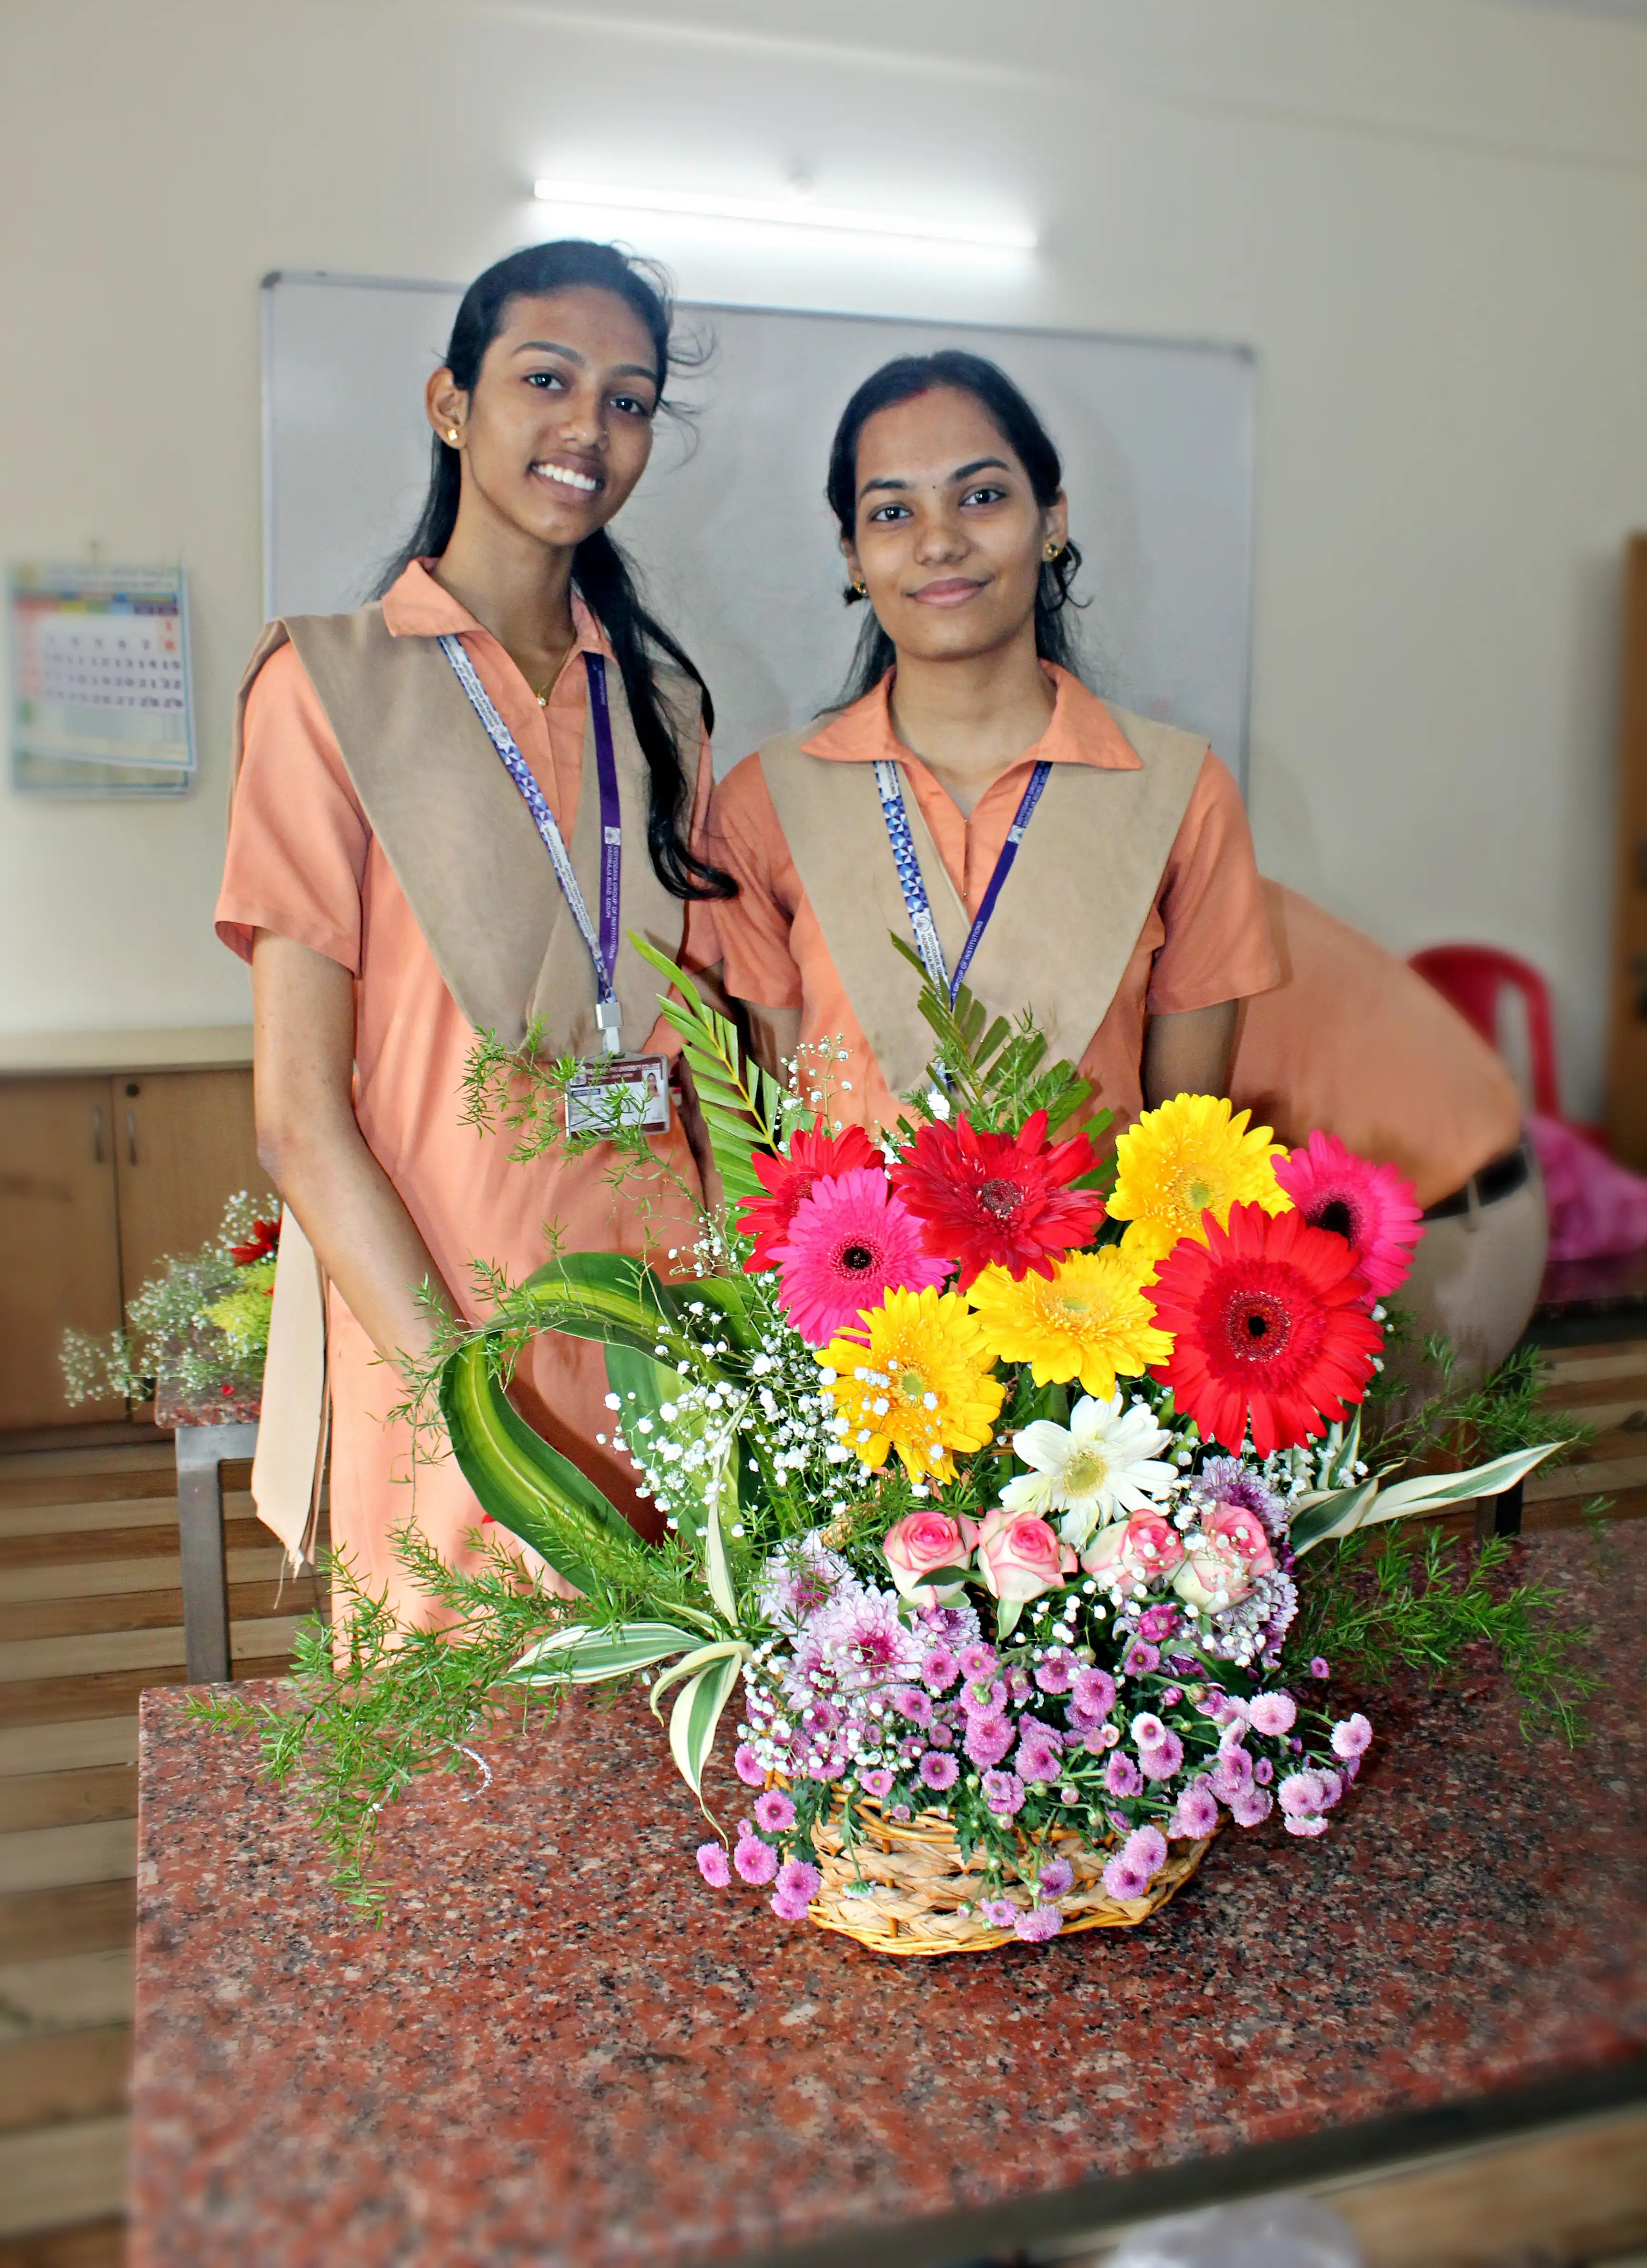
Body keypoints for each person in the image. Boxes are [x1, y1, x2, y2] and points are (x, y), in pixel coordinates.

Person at [216, 241, 732, 1624]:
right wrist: (463, 1414)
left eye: (629, 401)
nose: (590, 428)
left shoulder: (664, 706)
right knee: (460, 1771)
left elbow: (694, 1043)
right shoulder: (327, 688)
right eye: (547, 380)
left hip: (665, 1307)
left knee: (669, 1766)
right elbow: (297, 1117)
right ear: (452, 404)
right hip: (450, 1323)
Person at [708, 349, 1278, 1141]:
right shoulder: (766, 802)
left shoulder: (1179, 794)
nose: (938, 542)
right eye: (892, 511)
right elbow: (767, 1147)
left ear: (1052, 520)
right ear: (853, 558)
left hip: (1089, 1267)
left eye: (980, 497)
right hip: (849, 1263)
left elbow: (1184, 1159)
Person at [1231, 881, 1547, 1380]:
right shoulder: (1220, 890)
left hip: (1438, 1239)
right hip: (1470, 1203)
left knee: (1410, 1451)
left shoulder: (1187, 927)